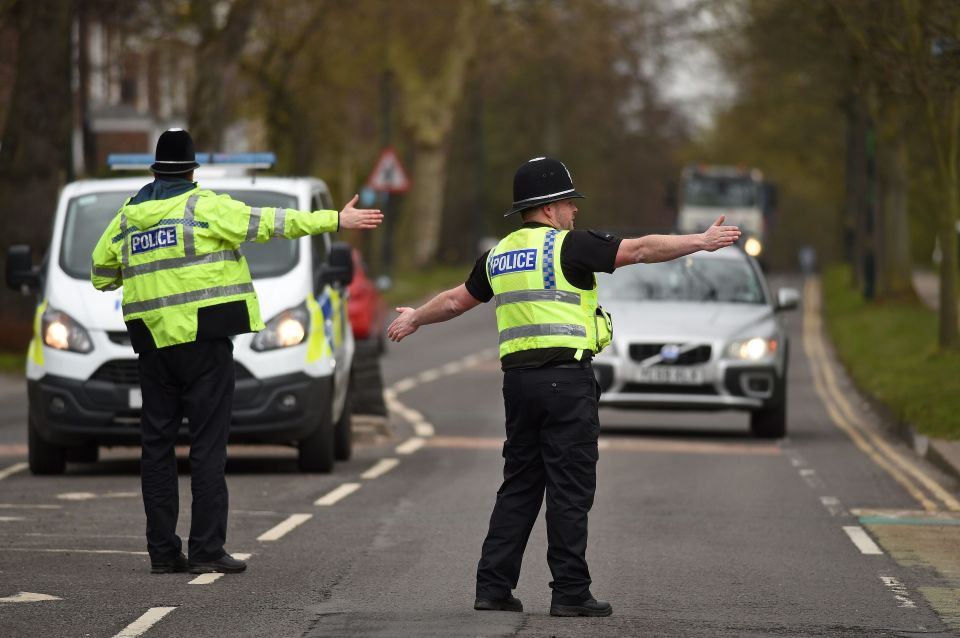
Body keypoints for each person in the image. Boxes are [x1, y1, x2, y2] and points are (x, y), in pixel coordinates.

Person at [386, 157, 740, 617]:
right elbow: (641, 250)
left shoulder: (498, 255)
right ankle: (570, 592)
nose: (575, 212)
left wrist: (415, 316)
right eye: (570, 204)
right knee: (570, 488)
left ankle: (493, 587)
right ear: (550, 208)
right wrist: (700, 241)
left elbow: (456, 301)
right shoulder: (570, 247)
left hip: (518, 386)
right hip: (567, 382)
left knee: (520, 485)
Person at [91, 129, 382, 575]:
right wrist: (333, 221)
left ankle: (164, 554)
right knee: (207, 447)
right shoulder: (203, 206)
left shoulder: (128, 218)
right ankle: (207, 549)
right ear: (191, 169)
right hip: (204, 346)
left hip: (153, 347)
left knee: (156, 449)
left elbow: (100, 272)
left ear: (156, 169)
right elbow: (271, 223)